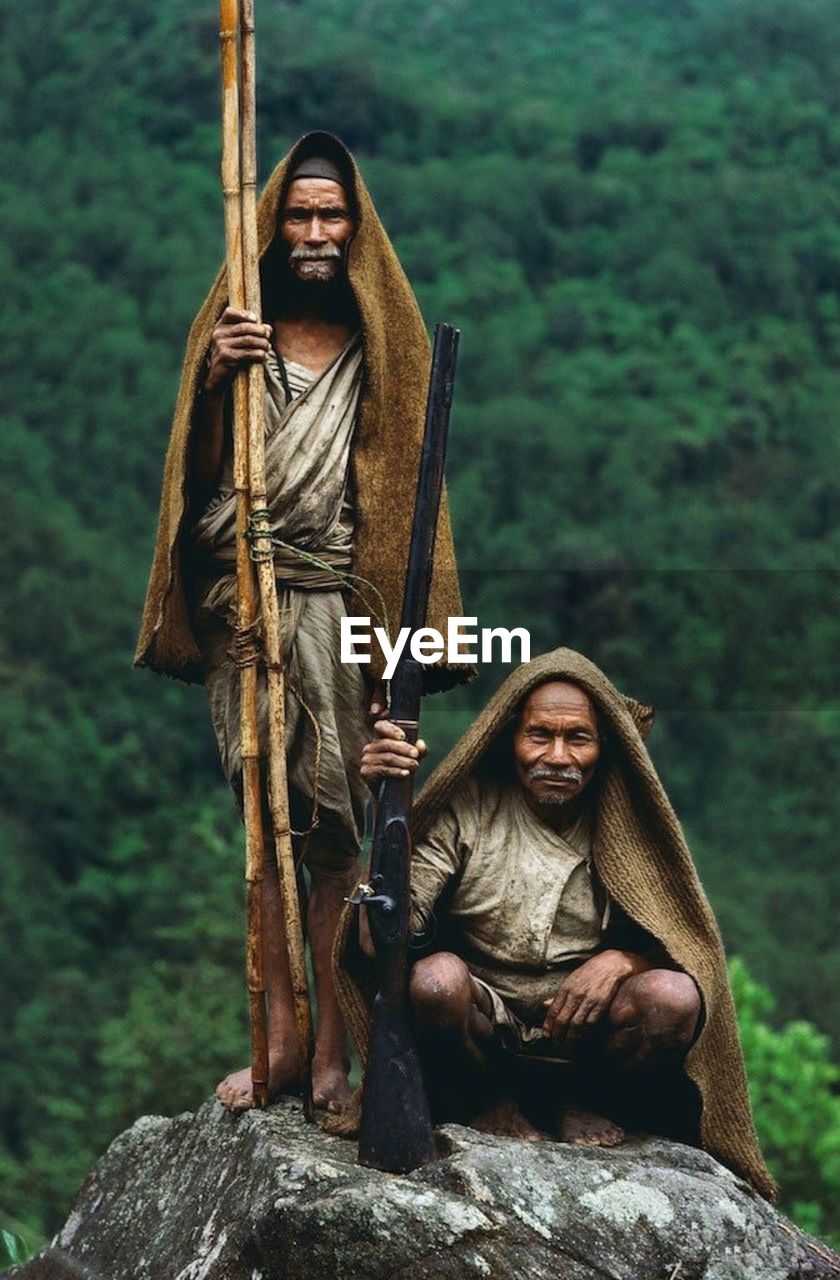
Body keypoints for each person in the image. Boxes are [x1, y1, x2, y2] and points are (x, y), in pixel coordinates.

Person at [135, 131, 468, 1113]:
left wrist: (395, 659)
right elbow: (188, 482)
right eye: (300, 215)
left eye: (332, 217)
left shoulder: (383, 350)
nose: (316, 232)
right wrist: (210, 376)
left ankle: (334, 1054)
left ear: (355, 232)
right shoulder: (233, 338)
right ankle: (275, 1039)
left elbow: (409, 507)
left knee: (336, 837)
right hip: (245, 607)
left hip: (338, 613)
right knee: (261, 823)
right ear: (274, 227)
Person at [348, 646, 774, 1198]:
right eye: (539, 735)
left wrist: (622, 961)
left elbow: (684, 947)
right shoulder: (471, 807)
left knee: (673, 999)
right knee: (435, 982)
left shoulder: (624, 820)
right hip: (483, 1021)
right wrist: (385, 806)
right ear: (510, 738)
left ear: (602, 748)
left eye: (577, 738)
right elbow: (380, 938)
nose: (557, 756)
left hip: (582, 1034)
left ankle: (582, 1101)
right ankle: (486, 1101)